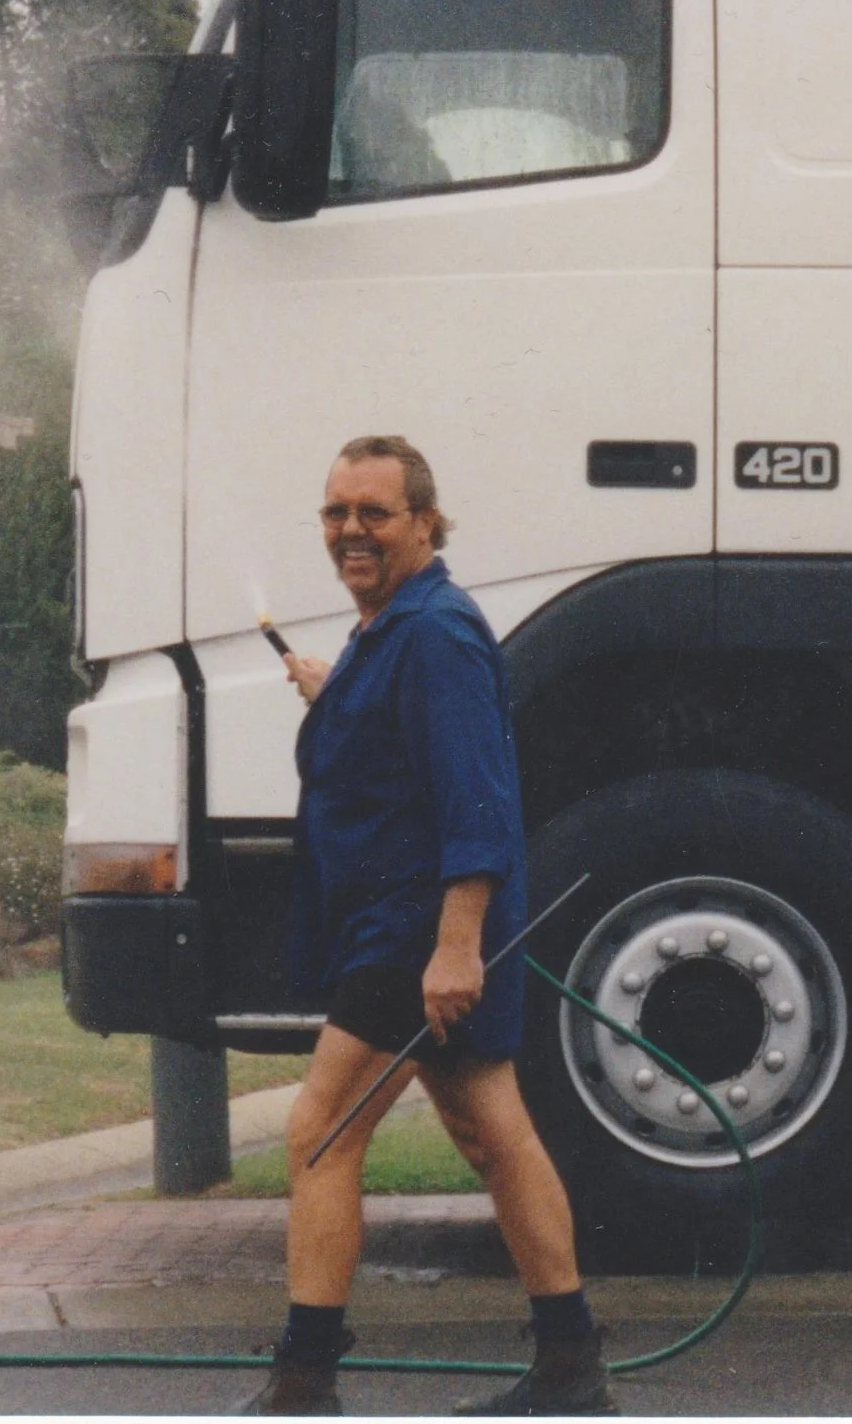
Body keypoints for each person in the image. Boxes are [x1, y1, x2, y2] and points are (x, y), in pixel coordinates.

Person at [244, 435, 611, 1417]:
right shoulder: (389, 629)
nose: (351, 531)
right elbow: (400, 744)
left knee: (320, 1132)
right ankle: (572, 1370)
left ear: (424, 523)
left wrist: (457, 945)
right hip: (403, 925)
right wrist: (341, 692)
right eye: (335, 512)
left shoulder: (437, 632)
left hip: (416, 931)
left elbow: (478, 804)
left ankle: (303, 1381)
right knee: (494, 1132)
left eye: (373, 512)